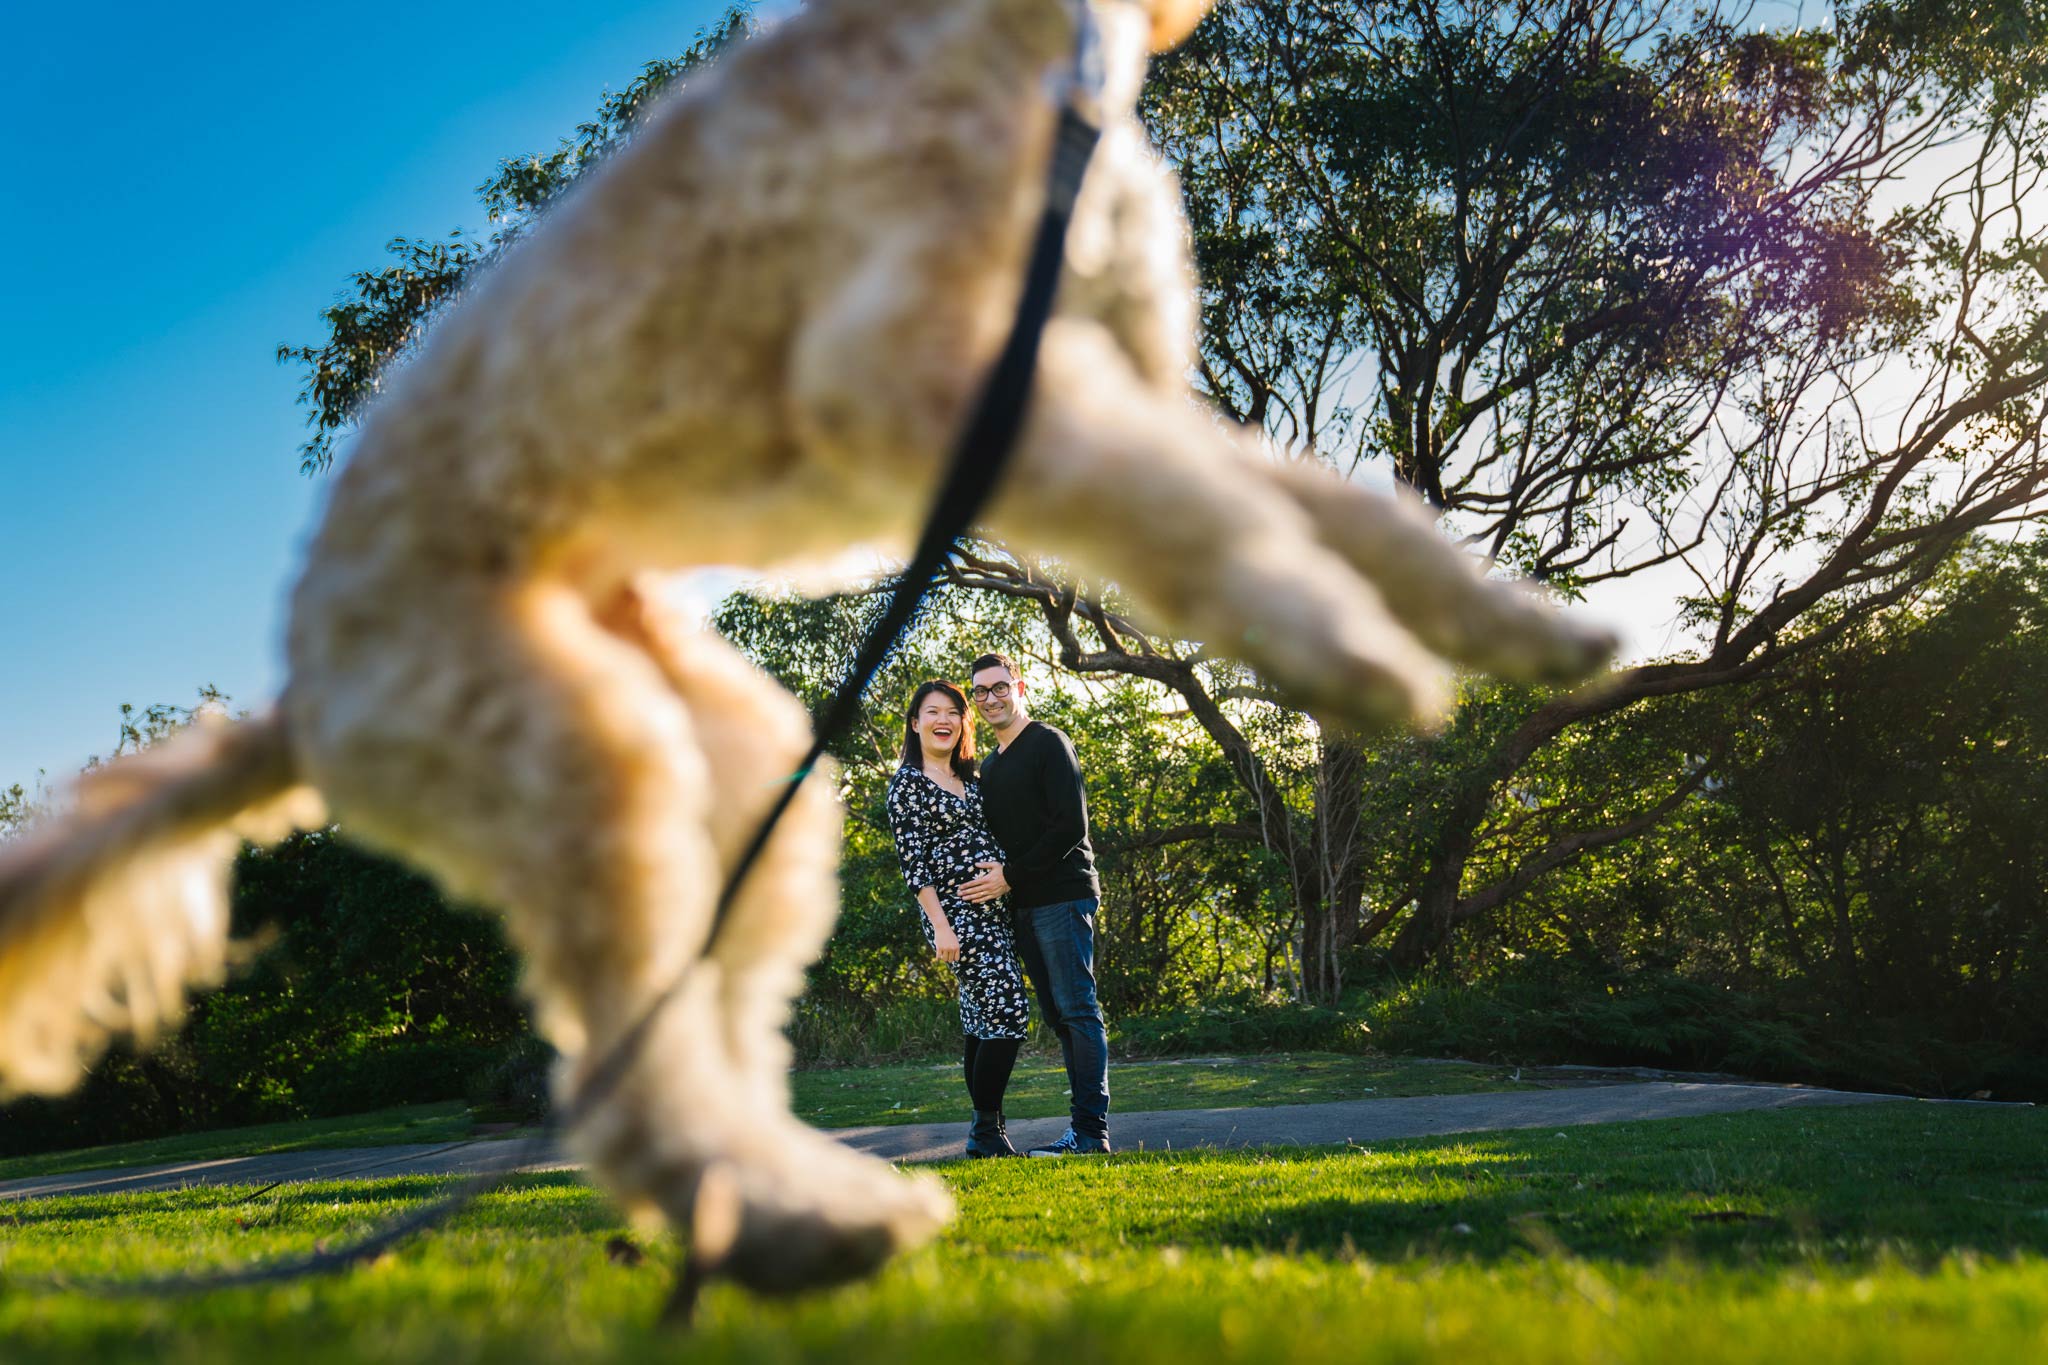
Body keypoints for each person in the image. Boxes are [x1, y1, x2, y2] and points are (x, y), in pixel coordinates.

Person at [958, 652, 1110, 1155]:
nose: (990, 698)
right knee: (1059, 1016)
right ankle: (1082, 1132)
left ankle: (1091, 1133)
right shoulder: (992, 765)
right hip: (1022, 906)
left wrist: (1009, 876)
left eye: (999, 687)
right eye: (980, 691)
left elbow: (1070, 826)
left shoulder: (1048, 742)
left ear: (1018, 687)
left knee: (1077, 1012)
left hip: (1063, 898)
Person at [883, 679, 1030, 1158]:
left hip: (996, 911)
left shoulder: (973, 779)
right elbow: (914, 864)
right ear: (915, 723)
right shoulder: (907, 785)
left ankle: (989, 1127)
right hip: (954, 912)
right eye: (932, 712)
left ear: (962, 723)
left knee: (981, 1015)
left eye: (952, 712)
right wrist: (941, 926)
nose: (943, 720)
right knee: (1008, 1006)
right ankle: (985, 1129)